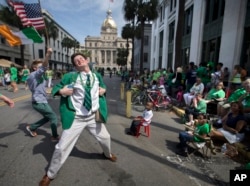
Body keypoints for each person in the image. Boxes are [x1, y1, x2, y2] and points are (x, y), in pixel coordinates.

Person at [39, 52, 117, 186]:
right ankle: (50, 174)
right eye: (76, 61)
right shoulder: (70, 76)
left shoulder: (96, 75)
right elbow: (56, 88)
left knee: (105, 138)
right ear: (75, 66)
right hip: (76, 117)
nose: (79, 61)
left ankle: (107, 154)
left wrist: (103, 90)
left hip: (93, 116)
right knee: (61, 147)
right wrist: (61, 91)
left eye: (81, 58)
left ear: (87, 60)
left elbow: (103, 87)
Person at [26, 48, 59, 141]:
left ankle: (32, 127)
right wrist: (48, 55)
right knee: (53, 117)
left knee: (47, 117)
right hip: (39, 102)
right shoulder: (34, 75)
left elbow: (39, 88)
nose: (45, 68)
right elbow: (43, 67)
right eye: (40, 67)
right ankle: (55, 136)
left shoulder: (37, 76)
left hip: (39, 100)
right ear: (35, 68)